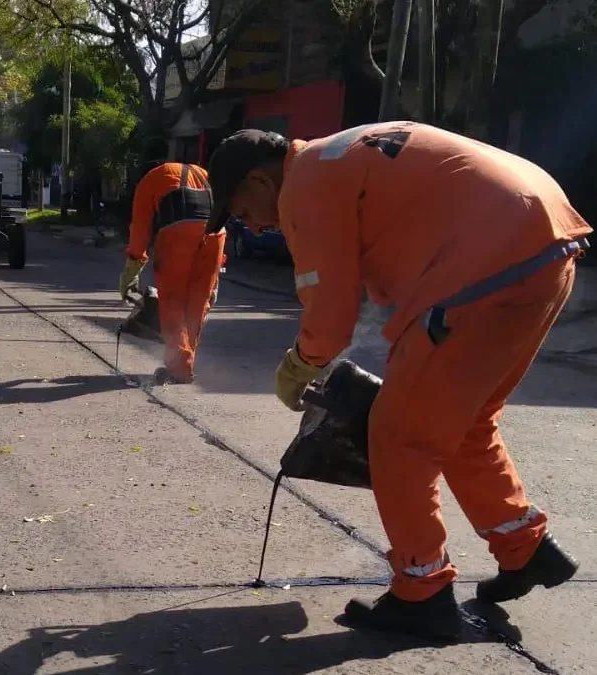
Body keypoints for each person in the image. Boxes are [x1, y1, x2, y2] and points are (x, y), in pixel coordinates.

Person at [205, 123, 592, 641]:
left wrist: (300, 364)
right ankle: (525, 549)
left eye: (242, 212)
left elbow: (332, 313)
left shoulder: (304, 186)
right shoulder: (337, 156)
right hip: (545, 243)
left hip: (486, 262)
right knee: (466, 423)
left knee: (398, 436)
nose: (251, 228)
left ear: (260, 181)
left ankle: (422, 594)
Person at [119, 161, 226, 384]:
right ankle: (185, 364)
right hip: (217, 235)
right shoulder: (204, 173)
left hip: (179, 232)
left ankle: (180, 368)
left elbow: (140, 229)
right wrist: (215, 278)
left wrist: (131, 272)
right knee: (199, 303)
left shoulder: (149, 180)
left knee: (172, 302)